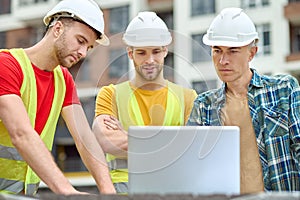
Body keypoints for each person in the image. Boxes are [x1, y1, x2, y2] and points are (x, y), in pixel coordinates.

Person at [0, 0, 116, 196]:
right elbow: (21, 134)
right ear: (58, 28)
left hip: (21, 195)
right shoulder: (7, 66)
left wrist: (109, 192)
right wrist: (67, 191)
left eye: (88, 47)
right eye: (80, 41)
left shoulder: (63, 80)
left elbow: (84, 138)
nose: (82, 53)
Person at [187, 7, 300, 193]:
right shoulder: (203, 106)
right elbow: (192, 166)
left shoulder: (284, 90)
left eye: (232, 51)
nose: (223, 60)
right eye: (217, 50)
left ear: (252, 53)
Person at [92, 11, 197, 193]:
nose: (150, 60)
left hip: (171, 193)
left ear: (165, 50)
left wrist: (129, 137)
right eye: (141, 53)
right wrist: (172, 144)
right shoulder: (110, 94)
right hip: (124, 192)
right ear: (130, 53)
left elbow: (193, 151)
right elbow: (107, 141)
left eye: (156, 51)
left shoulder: (188, 97)